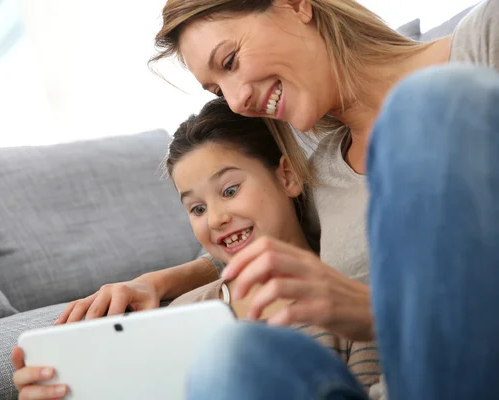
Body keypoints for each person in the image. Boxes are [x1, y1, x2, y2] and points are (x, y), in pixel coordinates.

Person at [144, 0, 498, 399]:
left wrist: (380, 314)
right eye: (216, 90)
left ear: (296, 6)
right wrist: (154, 283)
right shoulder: (319, 174)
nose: (236, 101)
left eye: (230, 61)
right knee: (236, 356)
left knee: (428, 102)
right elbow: (255, 234)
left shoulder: (485, 42)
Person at [11, 98, 381, 400]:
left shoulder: (341, 292)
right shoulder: (186, 312)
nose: (216, 218)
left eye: (230, 190)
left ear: (286, 176)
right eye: (197, 209)